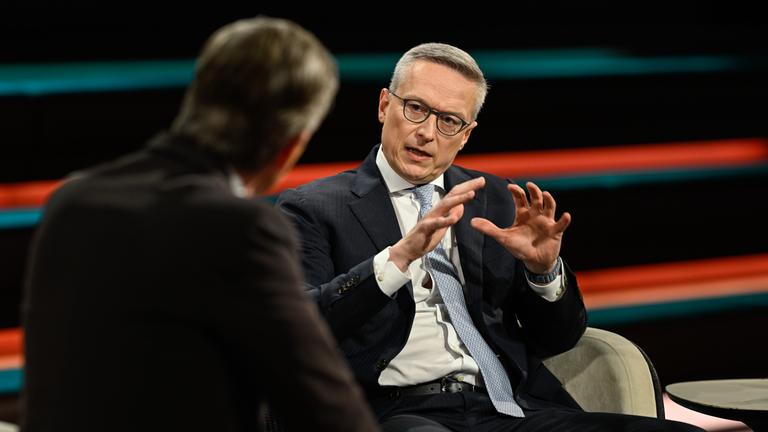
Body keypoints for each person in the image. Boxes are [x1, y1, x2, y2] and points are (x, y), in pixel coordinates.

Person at [277, 43, 703, 431]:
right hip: (396, 413)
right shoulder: (315, 207)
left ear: (466, 135)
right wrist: (398, 259)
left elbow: (557, 340)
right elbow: (298, 328)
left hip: (511, 409)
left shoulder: (497, 200)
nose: (427, 132)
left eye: (448, 121)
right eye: (415, 108)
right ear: (385, 105)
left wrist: (542, 271)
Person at [21, 17, 380, 432]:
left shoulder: (72, 200)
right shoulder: (240, 229)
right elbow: (325, 407)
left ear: (198, 97)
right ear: (290, 146)